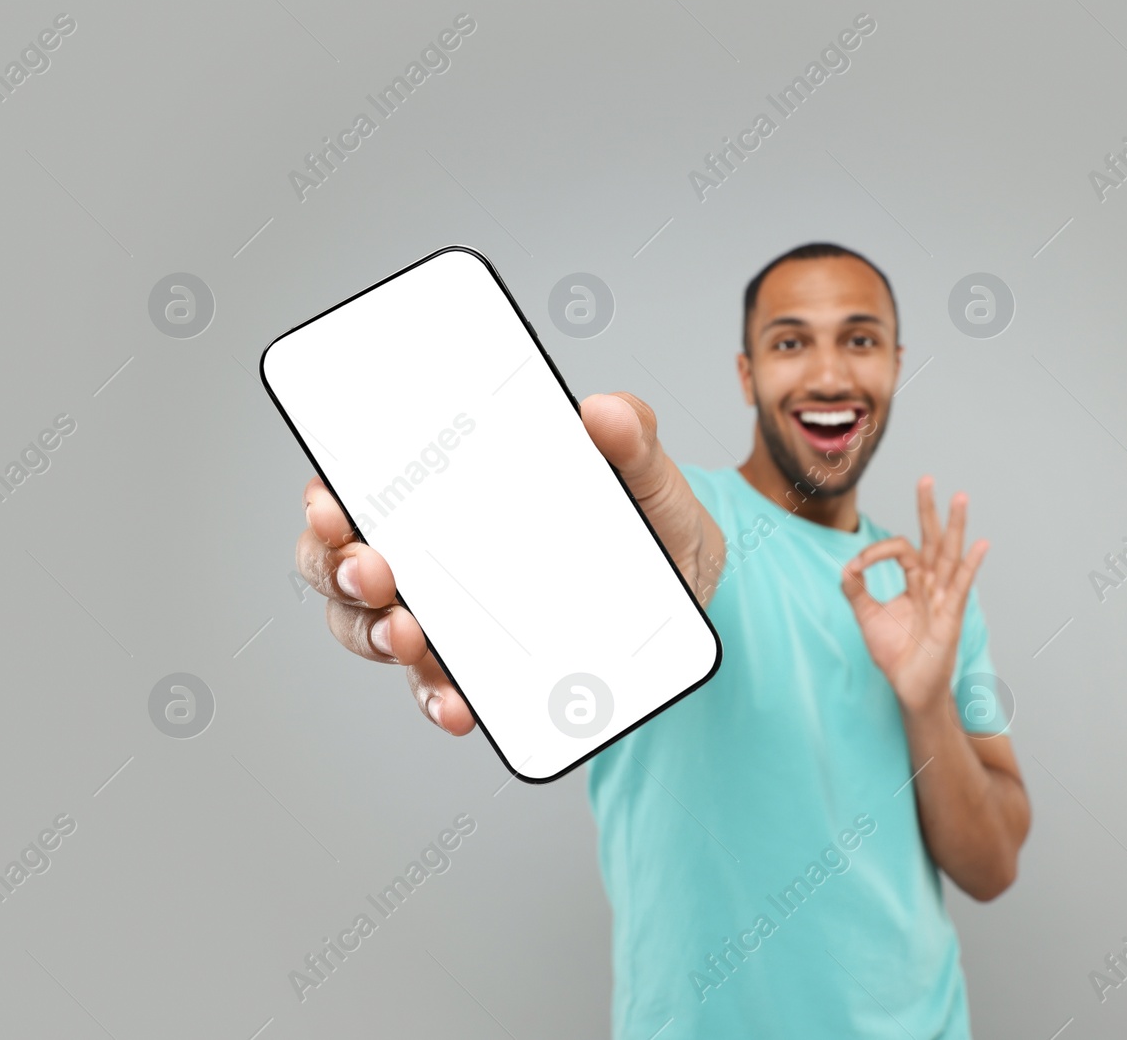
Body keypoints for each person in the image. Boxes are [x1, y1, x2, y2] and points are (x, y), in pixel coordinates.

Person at [294, 242, 1031, 1038]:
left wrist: (925, 701)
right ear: (747, 373)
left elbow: (992, 864)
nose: (828, 374)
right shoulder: (663, 523)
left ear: (895, 363)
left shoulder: (934, 588)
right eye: (791, 341)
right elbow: (620, 549)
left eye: (859, 339)